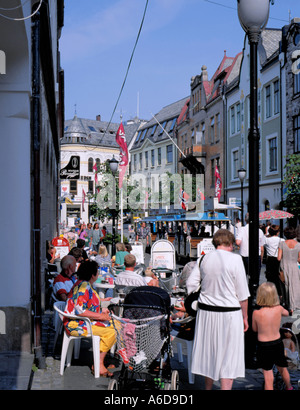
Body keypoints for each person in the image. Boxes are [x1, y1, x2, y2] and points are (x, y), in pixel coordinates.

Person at [186, 229, 250, 390]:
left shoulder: (204, 258)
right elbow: (242, 293)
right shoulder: (235, 260)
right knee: (229, 355)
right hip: (230, 313)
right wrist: (245, 317)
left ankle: (208, 388)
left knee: (209, 352)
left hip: (207, 312)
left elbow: (191, 284)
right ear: (230, 243)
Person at [64, 260, 116, 377]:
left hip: (79, 321)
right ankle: (99, 364)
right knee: (112, 331)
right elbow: (80, 310)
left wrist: (101, 309)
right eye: (97, 272)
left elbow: (85, 305)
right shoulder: (84, 286)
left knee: (116, 325)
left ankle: (102, 357)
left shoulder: (83, 284)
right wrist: (101, 315)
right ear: (93, 275)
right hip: (76, 325)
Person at [252, 282, 293, 390]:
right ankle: (289, 387)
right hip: (277, 343)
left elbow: (255, 329)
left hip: (264, 346)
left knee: (268, 373)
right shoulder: (278, 309)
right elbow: (287, 313)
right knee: (283, 368)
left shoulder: (256, 313)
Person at [235, 212, 266, 296]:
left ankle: (245, 294)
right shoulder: (259, 231)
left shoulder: (241, 229)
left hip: (245, 256)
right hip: (257, 257)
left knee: (243, 277)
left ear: (245, 219)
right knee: (256, 278)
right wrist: (262, 258)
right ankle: (254, 294)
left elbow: (237, 242)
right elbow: (262, 247)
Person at [277, 227, 300, 314]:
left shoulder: (282, 244)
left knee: (285, 286)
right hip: (294, 267)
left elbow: (279, 258)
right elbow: (299, 259)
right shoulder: (298, 244)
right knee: (294, 286)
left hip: (284, 267)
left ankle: (287, 304)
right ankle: (293, 306)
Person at [264, 225, 283, 297]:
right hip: (278, 259)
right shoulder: (281, 240)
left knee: (269, 277)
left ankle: (270, 293)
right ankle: (280, 294)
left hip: (270, 259)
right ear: (277, 232)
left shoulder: (267, 240)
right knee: (278, 277)